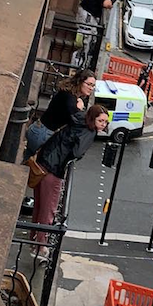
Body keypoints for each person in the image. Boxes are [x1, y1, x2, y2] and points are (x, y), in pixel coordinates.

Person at [30, 105, 109, 261]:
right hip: (54, 169)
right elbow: (77, 153)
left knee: (39, 205)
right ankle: (40, 247)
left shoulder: (78, 119)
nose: (103, 125)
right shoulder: (89, 132)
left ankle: (33, 239)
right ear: (92, 119)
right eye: (101, 121)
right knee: (49, 209)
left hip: (42, 161)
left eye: (105, 122)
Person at [24, 70, 97, 159]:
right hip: (43, 134)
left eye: (93, 85)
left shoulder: (69, 94)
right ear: (79, 82)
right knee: (37, 168)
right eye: (88, 84)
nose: (91, 88)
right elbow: (77, 120)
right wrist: (80, 109)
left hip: (40, 130)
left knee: (29, 164)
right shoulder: (70, 98)